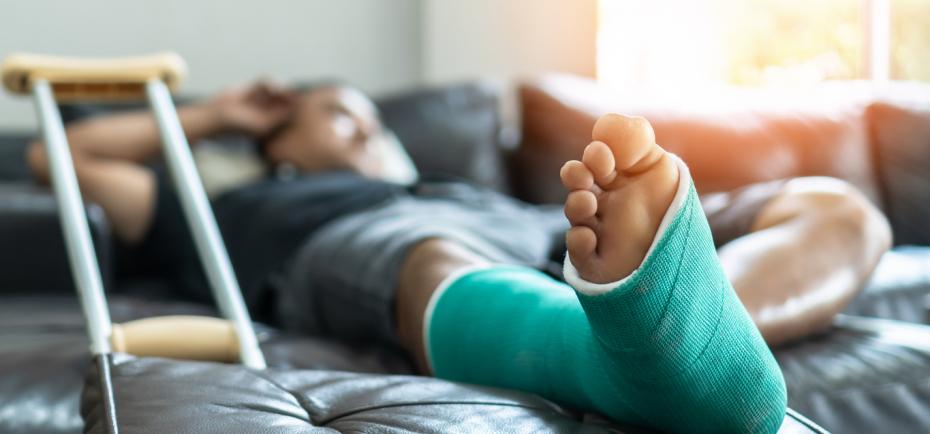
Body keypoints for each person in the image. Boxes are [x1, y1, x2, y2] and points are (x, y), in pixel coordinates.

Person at [27, 81, 890, 433]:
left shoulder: (455, 181)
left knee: (836, 207)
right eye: (336, 115)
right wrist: (216, 118)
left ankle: (679, 321)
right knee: (429, 253)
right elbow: (59, 159)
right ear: (279, 145)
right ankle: (644, 337)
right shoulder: (228, 204)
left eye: (373, 117)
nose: (367, 125)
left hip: (531, 230)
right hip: (371, 245)